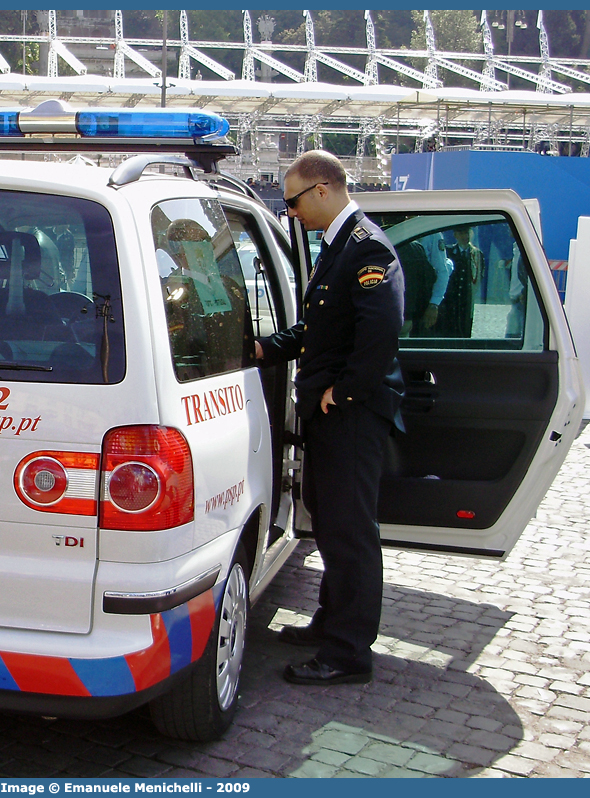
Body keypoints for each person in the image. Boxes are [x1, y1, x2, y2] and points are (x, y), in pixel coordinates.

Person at [256, 150, 404, 686]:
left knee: (351, 533)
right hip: (336, 417)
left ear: (321, 190)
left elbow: (379, 334)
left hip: (352, 417)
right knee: (329, 519)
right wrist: (265, 349)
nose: (290, 212)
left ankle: (348, 653)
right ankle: (330, 622)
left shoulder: (365, 248)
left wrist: (340, 394)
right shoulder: (337, 247)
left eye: (292, 201)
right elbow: (320, 329)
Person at [436, 225, 481, 339]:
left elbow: (478, 277)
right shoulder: (449, 251)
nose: (464, 236)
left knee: (465, 330)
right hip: (450, 301)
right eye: (461, 233)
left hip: (466, 300)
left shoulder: (476, 254)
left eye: (466, 233)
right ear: (455, 235)